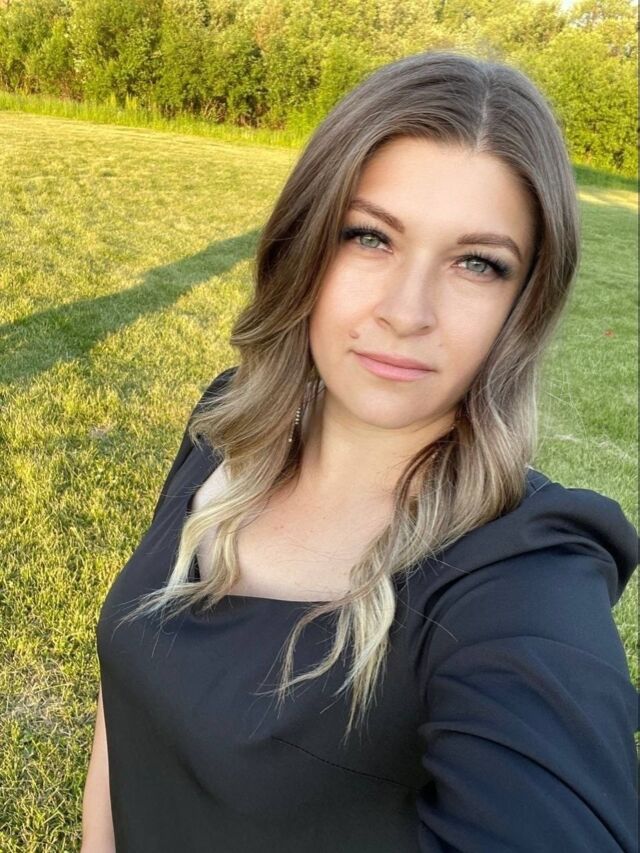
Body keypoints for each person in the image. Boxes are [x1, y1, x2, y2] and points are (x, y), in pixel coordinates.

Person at [81, 50, 639, 852]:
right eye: (370, 236)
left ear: (524, 303)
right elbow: (127, 686)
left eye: (478, 263)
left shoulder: (519, 579)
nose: (407, 312)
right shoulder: (227, 424)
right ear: (306, 243)